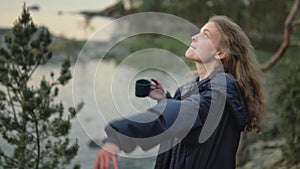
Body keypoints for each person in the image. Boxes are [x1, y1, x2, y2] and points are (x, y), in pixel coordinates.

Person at [93, 15, 264, 169]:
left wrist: (121, 134)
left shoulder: (218, 96)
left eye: (205, 35)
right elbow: (186, 124)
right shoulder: (195, 88)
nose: (194, 37)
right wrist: (165, 100)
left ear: (220, 52)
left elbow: (185, 113)